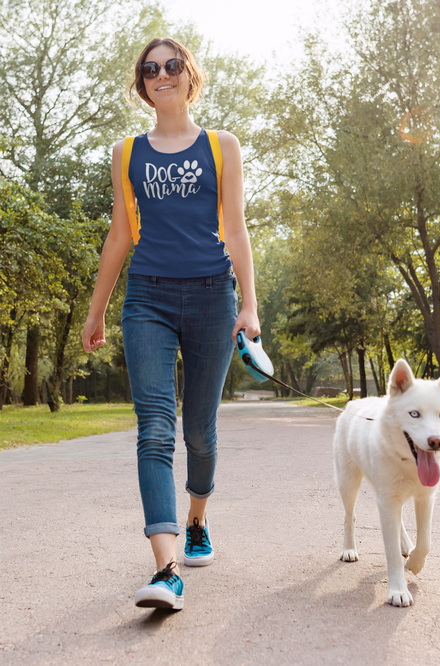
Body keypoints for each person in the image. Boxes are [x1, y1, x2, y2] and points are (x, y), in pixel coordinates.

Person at [82, 37, 260, 611]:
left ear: (189, 76)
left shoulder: (220, 145)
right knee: (155, 426)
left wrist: (248, 306)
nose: (161, 74)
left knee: (199, 432)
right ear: (143, 84)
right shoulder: (127, 151)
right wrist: (97, 308)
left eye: (171, 65)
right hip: (148, 300)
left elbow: (234, 230)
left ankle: (198, 520)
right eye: (150, 69)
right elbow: (120, 234)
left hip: (212, 297)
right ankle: (165, 569)